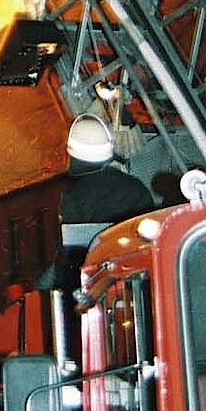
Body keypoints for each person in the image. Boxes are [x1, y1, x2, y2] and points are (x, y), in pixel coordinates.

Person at [44, 112, 155, 292]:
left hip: (95, 281)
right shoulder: (136, 187)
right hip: (137, 278)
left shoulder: (73, 196)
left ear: (73, 155)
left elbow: (71, 253)